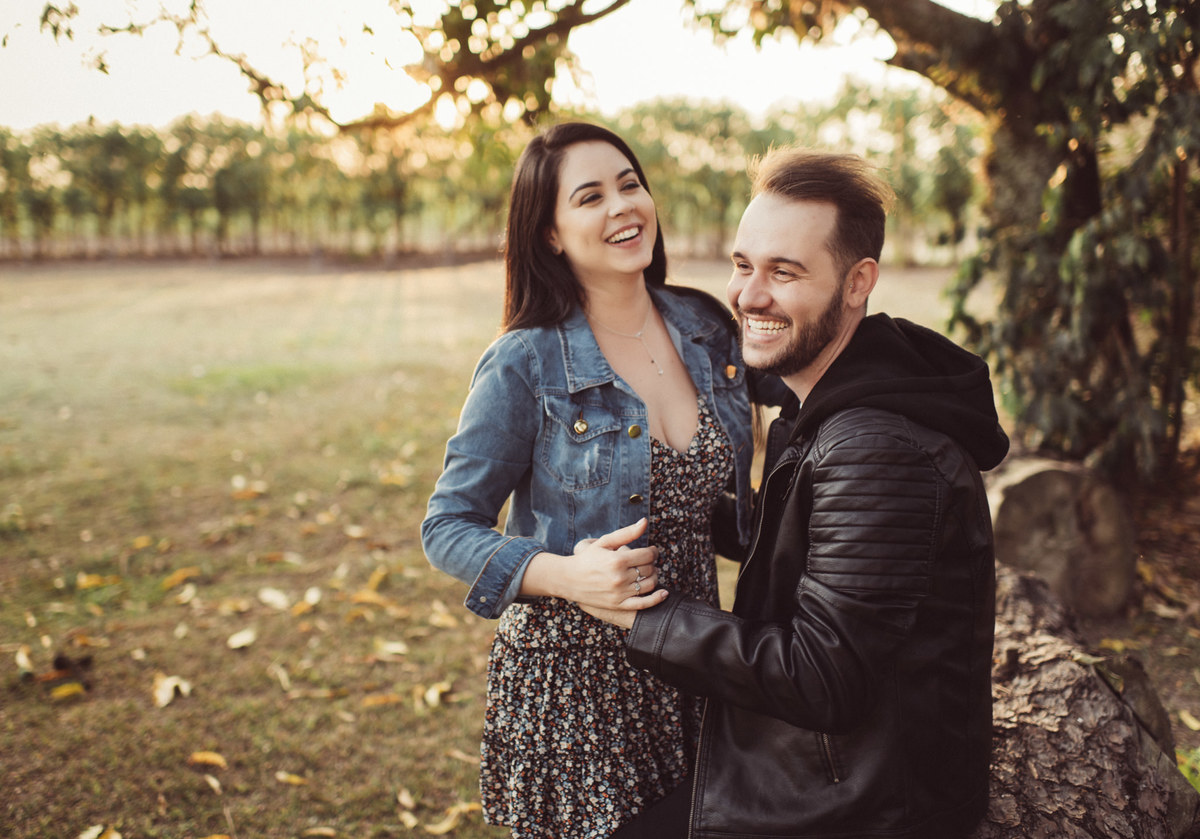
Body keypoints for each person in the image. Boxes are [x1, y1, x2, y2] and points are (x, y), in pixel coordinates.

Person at [587, 147, 1010, 839]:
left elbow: (823, 675)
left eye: (784, 272)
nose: (749, 295)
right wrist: (673, 510)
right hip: (826, 768)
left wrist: (643, 620)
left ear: (856, 282)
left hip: (862, 805)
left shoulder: (879, 449)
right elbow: (804, 538)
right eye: (744, 264)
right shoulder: (823, 406)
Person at [421, 121, 762, 838]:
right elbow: (446, 526)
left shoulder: (704, 327)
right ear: (550, 233)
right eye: (590, 196)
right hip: (576, 691)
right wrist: (567, 575)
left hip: (692, 661)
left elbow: (710, 505)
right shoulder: (525, 362)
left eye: (630, 184)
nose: (622, 207)